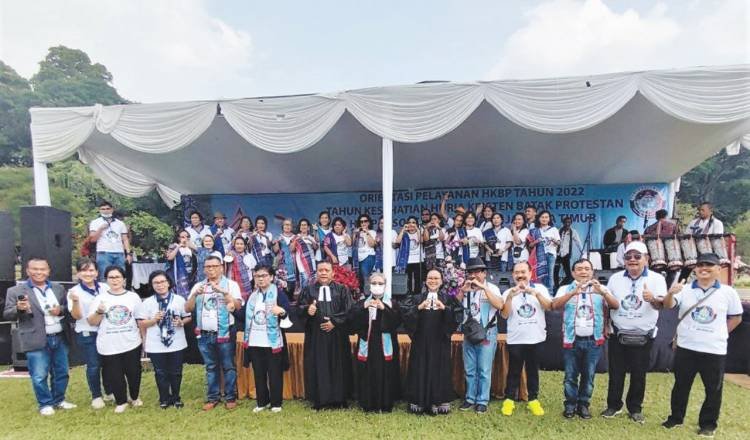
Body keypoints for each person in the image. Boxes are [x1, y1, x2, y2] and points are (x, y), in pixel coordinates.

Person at [661, 253, 743, 437]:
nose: (703, 269)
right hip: (686, 347)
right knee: (681, 385)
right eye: (700, 265)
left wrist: (720, 333)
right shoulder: (685, 289)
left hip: (714, 350)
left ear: (718, 270)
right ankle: (675, 418)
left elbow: (736, 318)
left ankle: (708, 424)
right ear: (695, 269)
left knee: (713, 389)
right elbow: (667, 305)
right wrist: (670, 293)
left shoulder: (728, 292)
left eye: (709, 265)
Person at [602, 241, 667, 423]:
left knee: (639, 374)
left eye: (637, 256)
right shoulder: (615, 278)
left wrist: (651, 298)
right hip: (618, 333)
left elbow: (660, 305)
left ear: (646, 259)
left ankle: (635, 408)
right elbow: (608, 303)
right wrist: (606, 324)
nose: (632, 260)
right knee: (616, 372)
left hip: (643, 335)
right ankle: (613, 406)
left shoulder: (657, 279)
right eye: (628, 257)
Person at [3, 257, 76, 415]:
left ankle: (59, 400)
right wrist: (19, 308)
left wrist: (60, 310)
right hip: (35, 338)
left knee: (62, 372)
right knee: (39, 374)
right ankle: (45, 404)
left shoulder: (58, 288)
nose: (39, 272)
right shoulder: (16, 291)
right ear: (28, 271)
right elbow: (7, 314)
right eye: (35, 269)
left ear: (48, 271)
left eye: (42, 269)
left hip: (59, 336)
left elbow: (67, 309)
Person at [553, 259, 619, 419]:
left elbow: (615, 305)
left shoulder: (600, 288)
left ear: (592, 272)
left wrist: (602, 292)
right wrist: (571, 293)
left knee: (588, 376)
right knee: (570, 376)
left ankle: (583, 405)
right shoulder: (564, 288)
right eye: (579, 269)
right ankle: (570, 405)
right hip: (572, 340)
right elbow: (554, 305)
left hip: (593, 340)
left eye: (587, 269)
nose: (583, 272)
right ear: (573, 272)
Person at [185, 255, 243, 411]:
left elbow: (237, 306)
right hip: (204, 333)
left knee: (228, 366)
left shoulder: (231, 284)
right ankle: (213, 397)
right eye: (207, 267)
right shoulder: (198, 286)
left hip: (225, 332)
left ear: (221, 267)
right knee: (211, 367)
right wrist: (195, 294)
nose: (211, 269)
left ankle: (230, 397)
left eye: (214, 266)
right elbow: (187, 308)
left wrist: (223, 292)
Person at [401, 269, 463, 415]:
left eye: (436, 278)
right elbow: (405, 314)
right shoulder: (417, 298)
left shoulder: (448, 299)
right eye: (430, 278)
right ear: (425, 281)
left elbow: (457, 315)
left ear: (441, 281)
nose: (433, 281)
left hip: (440, 341)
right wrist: (418, 308)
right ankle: (418, 400)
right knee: (419, 367)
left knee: (439, 368)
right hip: (421, 340)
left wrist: (445, 309)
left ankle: (439, 400)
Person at [297, 261, 354, 409]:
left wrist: (335, 322)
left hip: (337, 335)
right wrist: (307, 310)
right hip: (316, 336)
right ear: (316, 272)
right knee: (319, 365)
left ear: (332, 273)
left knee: (338, 365)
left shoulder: (342, 289)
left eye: (326, 270)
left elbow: (349, 310)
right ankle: (320, 400)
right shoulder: (309, 290)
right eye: (320, 270)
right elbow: (299, 309)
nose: (323, 273)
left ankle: (339, 399)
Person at [87, 266, 143, 414]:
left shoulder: (133, 297)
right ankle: (121, 401)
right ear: (106, 280)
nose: (115, 280)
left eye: (118, 277)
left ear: (124, 279)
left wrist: (144, 340)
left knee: (134, 372)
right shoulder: (100, 298)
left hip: (131, 341)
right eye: (111, 277)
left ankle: (134, 397)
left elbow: (140, 320)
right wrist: (99, 311)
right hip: (109, 344)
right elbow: (92, 322)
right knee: (114, 374)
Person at [500, 261, 552, 417]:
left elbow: (549, 306)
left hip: (536, 338)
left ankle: (533, 400)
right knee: (514, 371)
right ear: (513, 275)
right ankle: (509, 400)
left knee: (532, 371)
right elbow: (504, 315)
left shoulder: (540, 288)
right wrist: (509, 297)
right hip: (516, 338)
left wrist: (534, 293)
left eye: (523, 272)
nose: (520, 275)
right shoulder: (508, 291)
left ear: (530, 273)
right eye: (517, 272)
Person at [455, 258, 504, 414]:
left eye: (477, 271)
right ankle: (470, 398)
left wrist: (483, 288)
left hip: (487, 333)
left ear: (484, 273)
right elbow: (454, 305)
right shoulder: (466, 288)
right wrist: (463, 291)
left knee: (483, 369)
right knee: (470, 368)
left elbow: (500, 305)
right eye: (471, 272)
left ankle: (482, 400)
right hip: (469, 332)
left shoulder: (492, 288)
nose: (474, 275)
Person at [137, 270, 191, 409]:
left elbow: (188, 317)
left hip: (176, 342)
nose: (159, 285)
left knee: (176, 371)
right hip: (155, 343)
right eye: (156, 282)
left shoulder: (179, 299)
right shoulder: (147, 303)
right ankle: (164, 398)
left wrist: (181, 322)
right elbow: (141, 323)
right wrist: (154, 320)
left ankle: (176, 397)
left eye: (162, 282)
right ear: (152, 285)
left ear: (168, 283)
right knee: (160, 372)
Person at [349, 272, 401, 412]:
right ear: (369, 286)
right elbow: (353, 323)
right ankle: (367, 403)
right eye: (374, 283)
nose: (377, 286)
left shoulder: (392, 303)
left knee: (386, 373)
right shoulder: (361, 303)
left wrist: (384, 308)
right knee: (367, 373)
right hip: (368, 343)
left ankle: (385, 403)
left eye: (380, 283)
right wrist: (364, 309)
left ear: (385, 286)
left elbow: (397, 323)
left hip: (385, 345)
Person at [242, 265, 291, 413]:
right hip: (255, 340)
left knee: (274, 373)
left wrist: (282, 312)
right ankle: (262, 402)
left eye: (264, 275)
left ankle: (276, 403)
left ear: (271, 277)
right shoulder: (252, 296)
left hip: (272, 341)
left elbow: (288, 312)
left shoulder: (279, 294)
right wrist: (232, 309)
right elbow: (244, 316)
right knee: (258, 372)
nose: (261, 279)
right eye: (257, 276)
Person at [67, 258, 111, 409]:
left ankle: (109, 391)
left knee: (108, 364)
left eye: (91, 270)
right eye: (84, 270)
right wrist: (76, 301)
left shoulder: (105, 288)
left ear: (97, 272)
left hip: (106, 331)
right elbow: (77, 316)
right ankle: (96, 396)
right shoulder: (74, 292)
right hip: (87, 332)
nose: (88, 273)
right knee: (93, 365)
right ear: (78, 273)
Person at [89, 200, 132, 280]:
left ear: (112, 210)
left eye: (107, 208)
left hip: (119, 253)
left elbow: (125, 239)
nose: (105, 211)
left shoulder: (120, 223)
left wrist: (128, 253)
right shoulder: (95, 222)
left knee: (120, 276)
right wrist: (100, 229)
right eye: (103, 209)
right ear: (99, 210)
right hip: (103, 253)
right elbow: (92, 239)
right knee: (104, 277)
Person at [528, 210, 559, 293]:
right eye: (542, 217)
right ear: (539, 219)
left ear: (549, 219)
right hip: (538, 255)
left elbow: (559, 243)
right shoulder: (535, 230)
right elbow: (530, 245)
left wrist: (553, 239)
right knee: (540, 275)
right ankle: (542, 293)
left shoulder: (554, 229)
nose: (544, 219)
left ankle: (550, 293)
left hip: (550, 254)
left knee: (549, 275)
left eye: (546, 217)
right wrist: (537, 241)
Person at [394, 216, 423, 294]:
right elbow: (397, 242)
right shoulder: (405, 233)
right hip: (407, 260)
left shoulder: (419, 231)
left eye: (413, 222)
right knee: (408, 279)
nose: (411, 224)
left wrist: (417, 229)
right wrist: (403, 230)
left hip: (418, 260)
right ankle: (409, 296)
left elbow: (421, 241)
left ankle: (417, 295)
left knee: (418, 280)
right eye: (409, 222)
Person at [166, 229, 198, 297]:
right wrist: (178, 247)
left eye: (187, 237)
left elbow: (200, 254)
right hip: (179, 274)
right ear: (178, 238)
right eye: (182, 237)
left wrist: (192, 247)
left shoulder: (190, 247)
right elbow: (169, 258)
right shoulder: (173, 246)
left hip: (191, 274)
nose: (185, 238)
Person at [292, 218, 318, 291]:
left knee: (312, 278)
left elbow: (315, 247)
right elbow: (292, 249)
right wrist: (296, 240)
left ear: (308, 227)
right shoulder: (296, 237)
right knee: (305, 278)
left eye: (305, 225)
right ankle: (303, 296)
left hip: (311, 261)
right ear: (300, 227)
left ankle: (311, 296)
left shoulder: (311, 237)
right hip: (301, 262)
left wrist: (309, 239)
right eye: (302, 225)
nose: (303, 227)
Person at [352, 214, 377, 290]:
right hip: (357, 258)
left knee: (366, 276)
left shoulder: (372, 232)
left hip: (368, 256)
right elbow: (352, 244)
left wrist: (367, 233)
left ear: (369, 223)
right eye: (361, 222)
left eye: (365, 221)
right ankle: (362, 294)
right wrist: (355, 234)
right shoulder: (357, 232)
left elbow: (372, 244)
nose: (363, 223)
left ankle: (367, 295)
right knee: (359, 277)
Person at [274, 218, 299, 294]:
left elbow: (292, 249)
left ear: (292, 227)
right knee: (283, 283)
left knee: (294, 282)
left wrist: (294, 240)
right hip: (283, 262)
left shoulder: (296, 237)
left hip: (294, 262)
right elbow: (275, 250)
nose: (288, 226)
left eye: (289, 225)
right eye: (286, 224)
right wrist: (277, 242)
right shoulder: (278, 237)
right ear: (282, 226)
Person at [556, 216, 582, 288]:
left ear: (571, 223)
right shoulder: (558, 231)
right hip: (558, 254)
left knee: (568, 274)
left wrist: (582, 252)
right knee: (555, 273)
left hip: (566, 255)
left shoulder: (573, 232)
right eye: (566, 222)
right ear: (563, 223)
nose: (567, 224)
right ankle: (556, 286)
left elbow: (578, 242)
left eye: (569, 222)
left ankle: (562, 286)